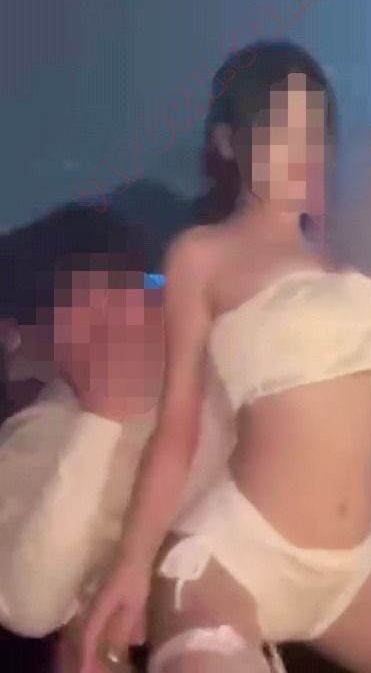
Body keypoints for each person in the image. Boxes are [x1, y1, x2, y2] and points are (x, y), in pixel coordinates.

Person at [76, 39, 371, 673]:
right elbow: (177, 427)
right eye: (277, 130)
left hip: (360, 566)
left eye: (314, 132)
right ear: (230, 142)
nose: (301, 151)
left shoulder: (348, 253)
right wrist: (130, 564)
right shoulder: (204, 255)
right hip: (237, 557)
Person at [0, 205, 235, 670]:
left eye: (134, 287)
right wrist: (99, 419)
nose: (128, 312)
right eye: (91, 303)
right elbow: (28, 606)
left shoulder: (223, 371)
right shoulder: (43, 434)